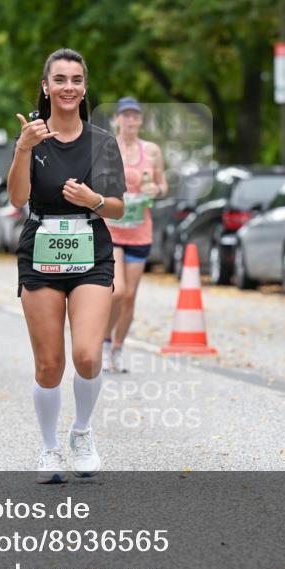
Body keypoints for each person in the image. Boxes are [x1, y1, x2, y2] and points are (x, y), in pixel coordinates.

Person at [8, 48, 126, 483]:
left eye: (76, 80)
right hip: (40, 251)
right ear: (45, 87)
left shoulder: (102, 142)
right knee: (49, 365)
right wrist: (23, 147)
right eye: (60, 79)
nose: (68, 87)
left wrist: (92, 199)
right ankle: (49, 448)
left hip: (90, 250)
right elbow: (17, 198)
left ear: (84, 88)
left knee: (88, 354)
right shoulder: (32, 140)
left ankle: (81, 432)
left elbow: (116, 207)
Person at [102, 97, 167, 373]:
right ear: (117, 119)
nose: (130, 120)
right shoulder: (107, 148)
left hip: (140, 231)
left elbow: (162, 184)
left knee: (131, 297)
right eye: (125, 115)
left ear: (140, 120)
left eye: (135, 116)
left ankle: (117, 349)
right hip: (112, 229)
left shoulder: (151, 151)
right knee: (119, 291)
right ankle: (103, 342)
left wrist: (156, 191)